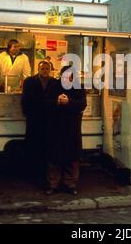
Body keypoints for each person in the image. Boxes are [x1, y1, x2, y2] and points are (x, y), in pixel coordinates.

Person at [45, 65, 87, 195]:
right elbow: (45, 102)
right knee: (54, 158)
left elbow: (82, 104)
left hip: (71, 127)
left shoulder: (79, 87)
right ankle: (53, 184)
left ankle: (70, 184)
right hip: (55, 126)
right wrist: (56, 102)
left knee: (72, 158)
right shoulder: (53, 86)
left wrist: (69, 101)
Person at [21, 61, 59, 186]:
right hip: (34, 118)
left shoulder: (55, 82)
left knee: (47, 147)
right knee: (33, 146)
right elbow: (24, 99)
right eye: (42, 68)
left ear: (50, 70)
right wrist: (27, 113)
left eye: (47, 68)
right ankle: (32, 174)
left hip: (49, 119)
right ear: (38, 69)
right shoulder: (29, 81)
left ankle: (44, 175)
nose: (44, 70)